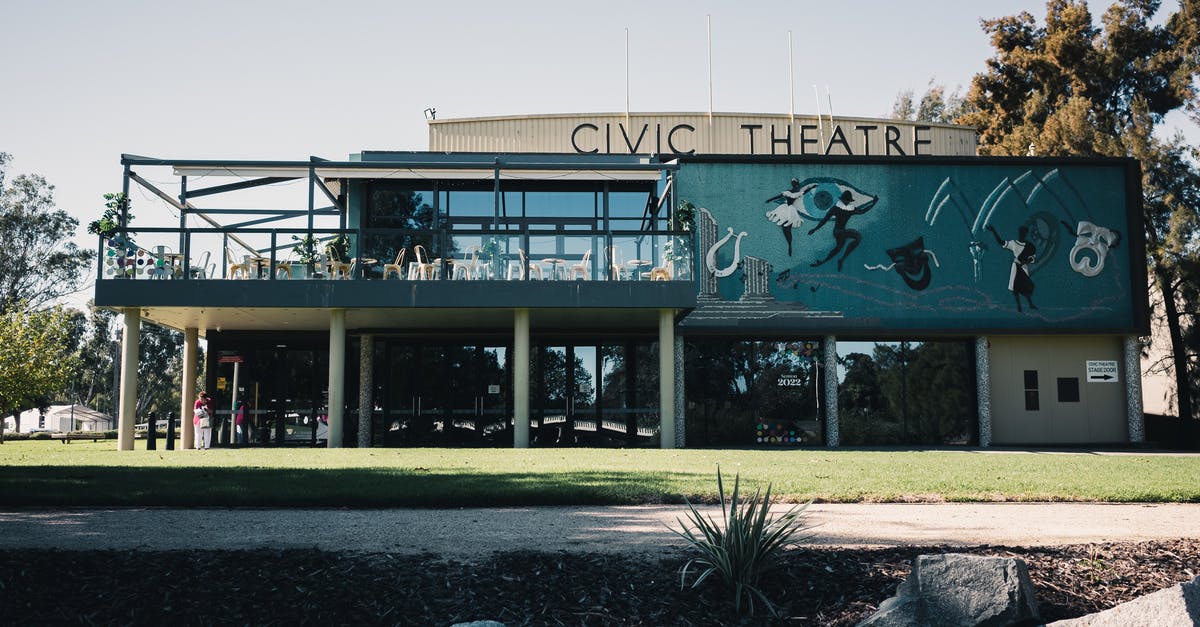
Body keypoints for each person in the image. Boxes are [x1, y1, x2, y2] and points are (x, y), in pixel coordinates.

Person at [987, 224, 1038, 312]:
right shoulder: (1013, 243)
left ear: (1026, 234)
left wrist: (1025, 262)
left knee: (1026, 285)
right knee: (1015, 287)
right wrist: (993, 231)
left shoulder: (1030, 246)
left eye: (1023, 233)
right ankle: (1019, 306)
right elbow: (1001, 242)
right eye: (1021, 233)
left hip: (1023, 267)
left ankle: (1030, 304)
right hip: (1016, 266)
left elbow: (1032, 258)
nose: (1022, 234)